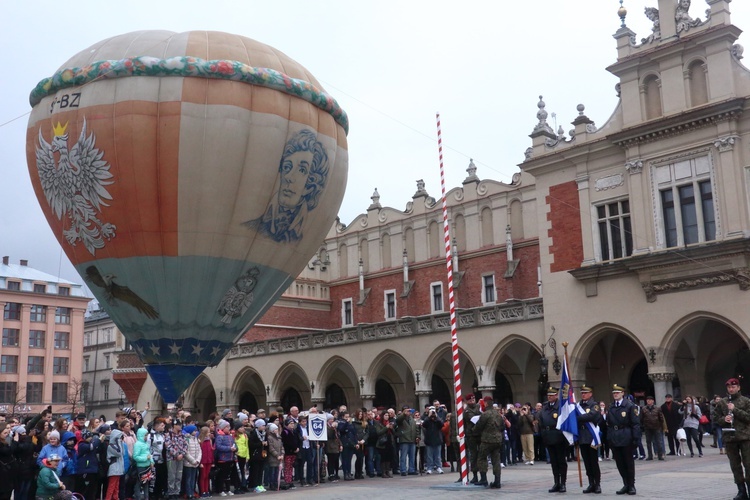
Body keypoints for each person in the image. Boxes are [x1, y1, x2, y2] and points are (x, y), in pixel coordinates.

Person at [243, 129, 330, 243]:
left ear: (310, 186)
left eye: (301, 170)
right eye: (287, 167)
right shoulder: (252, 227)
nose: (289, 177)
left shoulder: (306, 237)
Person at [713, 377, 750, 500]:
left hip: (745, 437)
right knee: (735, 465)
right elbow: (715, 418)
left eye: (733, 387)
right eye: (729, 387)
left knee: (748, 464)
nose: (731, 389)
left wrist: (735, 410)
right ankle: (741, 491)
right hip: (730, 437)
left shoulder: (745, 401)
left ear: (738, 388)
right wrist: (724, 419)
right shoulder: (722, 402)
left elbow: (748, 417)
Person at [607, 384, 640, 495]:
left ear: (622, 393)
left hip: (626, 436)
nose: (615, 394)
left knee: (628, 463)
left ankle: (631, 485)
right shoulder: (611, 406)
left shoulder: (630, 406)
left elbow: (635, 423)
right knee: (620, 463)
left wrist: (636, 438)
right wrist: (609, 438)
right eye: (614, 393)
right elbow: (609, 424)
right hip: (615, 437)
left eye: (617, 392)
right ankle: (625, 483)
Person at [539, 386, 568, 492]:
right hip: (548, 436)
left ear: (556, 395)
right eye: (548, 395)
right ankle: (556, 482)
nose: (549, 397)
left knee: (561, 461)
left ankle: (563, 483)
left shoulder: (561, 406)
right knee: (554, 462)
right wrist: (543, 433)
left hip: (558, 437)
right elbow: (541, 421)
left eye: (552, 395)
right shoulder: (545, 407)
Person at [473, 400, 506, 489]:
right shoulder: (498, 414)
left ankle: (483, 479)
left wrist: (473, 431)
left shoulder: (485, 414)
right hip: (498, 440)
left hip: (487, 440)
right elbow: (503, 426)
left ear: (486, 404)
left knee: (482, 458)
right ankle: (497, 481)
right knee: (496, 460)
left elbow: (479, 426)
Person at [577, 385, 603, 494]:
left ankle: (597, 484)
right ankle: (590, 483)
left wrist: (577, 417)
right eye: (582, 393)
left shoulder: (594, 405)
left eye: (585, 393)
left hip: (591, 436)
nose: (583, 394)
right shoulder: (578, 405)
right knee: (587, 463)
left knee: (593, 462)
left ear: (590, 394)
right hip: (582, 436)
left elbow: (591, 416)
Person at [640, 395, 665, 461]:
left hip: (657, 427)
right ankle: (650, 455)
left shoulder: (657, 408)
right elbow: (641, 418)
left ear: (653, 401)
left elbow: (661, 418)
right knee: (648, 442)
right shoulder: (643, 408)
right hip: (647, 427)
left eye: (650, 400)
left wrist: (661, 426)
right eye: (647, 400)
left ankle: (660, 455)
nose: (649, 401)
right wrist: (643, 425)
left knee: (659, 442)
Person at [395, 406, 418, 476]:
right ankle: (403, 470)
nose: (408, 412)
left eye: (408, 411)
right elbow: (398, 421)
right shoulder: (400, 418)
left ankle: (411, 469)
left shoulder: (412, 419)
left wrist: (418, 436)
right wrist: (404, 414)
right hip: (404, 439)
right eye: (406, 411)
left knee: (412, 456)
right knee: (403, 456)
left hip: (412, 440)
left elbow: (416, 429)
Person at [375, 410, 395, 478]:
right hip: (382, 442)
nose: (387, 417)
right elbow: (378, 432)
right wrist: (386, 427)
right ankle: (383, 472)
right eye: (385, 415)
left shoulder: (389, 422)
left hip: (389, 441)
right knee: (383, 457)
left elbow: (394, 433)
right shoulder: (379, 423)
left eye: (388, 415)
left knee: (389, 457)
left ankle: (388, 471)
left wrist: (392, 428)